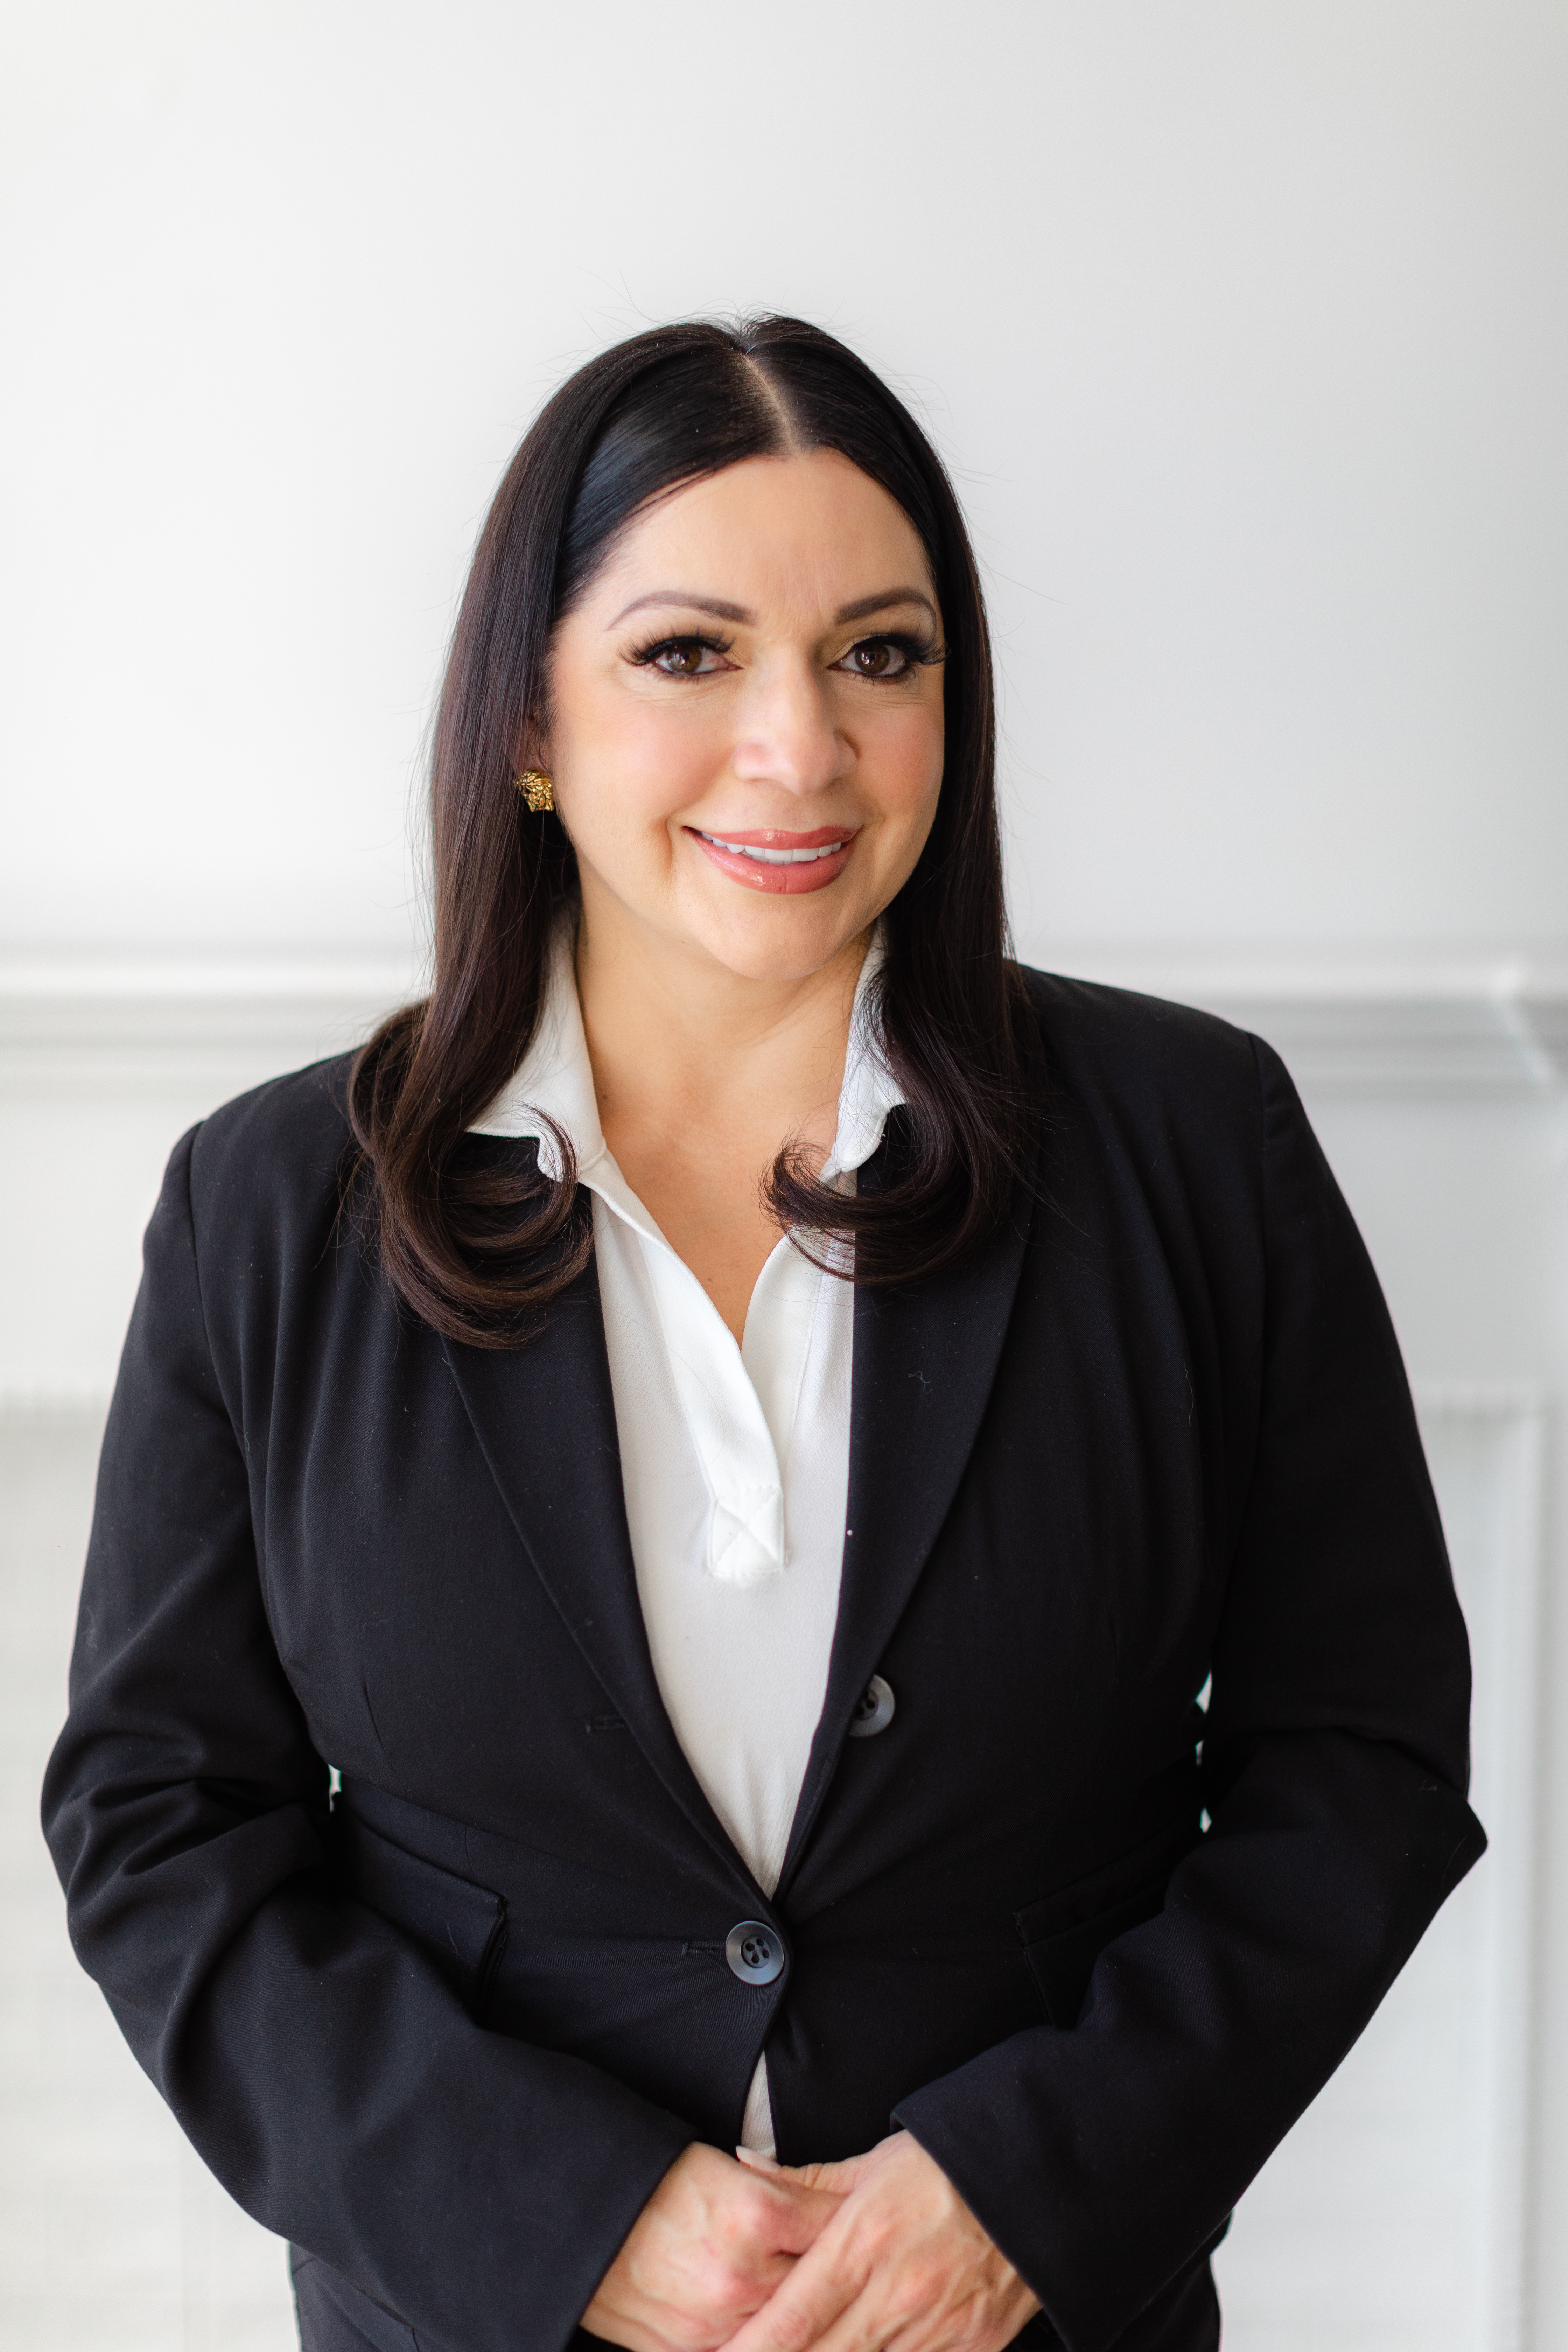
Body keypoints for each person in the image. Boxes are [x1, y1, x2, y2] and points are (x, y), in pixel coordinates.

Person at [43, 317, 1484, 2352]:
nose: (798, 748)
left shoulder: (1196, 1146)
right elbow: (160, 1820)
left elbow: (1360, 1759)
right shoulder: (271, 1208)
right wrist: (555, 2218)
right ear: (528, 716)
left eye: (879, 656)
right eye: (688, 654)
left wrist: (1035, 2184)